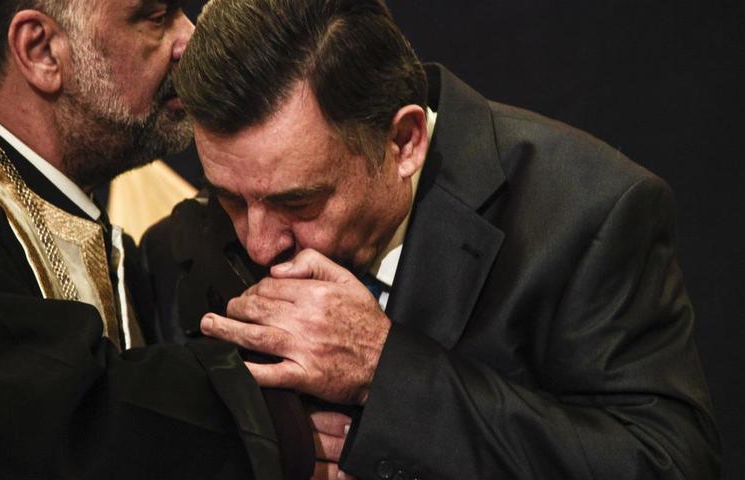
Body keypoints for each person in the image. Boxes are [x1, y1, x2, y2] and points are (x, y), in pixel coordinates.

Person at [141, 0, 722, 478]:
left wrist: (385, 368)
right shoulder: (176, 248)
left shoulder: (589, 214)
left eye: (299, 203)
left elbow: (667, 463)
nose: (260, 244)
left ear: (404, 142)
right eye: (229, 198)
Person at [0, 1, 298, 478]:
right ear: (41, 50)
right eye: (155, 18)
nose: (190, 38)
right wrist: (282, 410)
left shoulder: (76, 216)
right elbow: (49, 433)